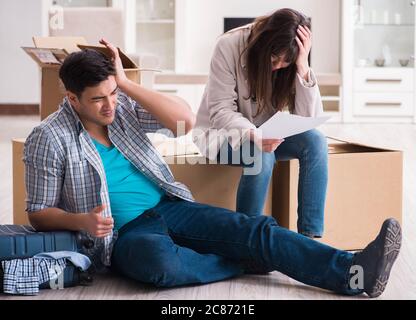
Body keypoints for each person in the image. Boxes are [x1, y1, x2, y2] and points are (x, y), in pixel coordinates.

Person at [23, 39, 401, 298]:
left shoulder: (121, 107)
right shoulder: (49, 137)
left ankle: (354, 272)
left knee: (256, 229)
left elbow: (184, 121)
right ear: (71, 98)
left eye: (113, 94)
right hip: (124, 234)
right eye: (98, 99)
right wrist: (82, 223)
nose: (110, 106)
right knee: (159, 265)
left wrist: (125, 84)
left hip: (170, 206)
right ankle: (248, 259)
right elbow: (38, 214)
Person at [193, 8, 327, 238]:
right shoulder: (228, 46)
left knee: (315, 141)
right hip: (221, 135)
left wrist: (302, 66)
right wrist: (253, 134)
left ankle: (309, 237)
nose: (278, 66)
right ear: (265, 42)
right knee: (261, 153)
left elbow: (307, 121)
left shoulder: (292, 61)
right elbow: (220, 111)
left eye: (286, 62)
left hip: (265, 133)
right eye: (274, 59)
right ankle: (247, 242)